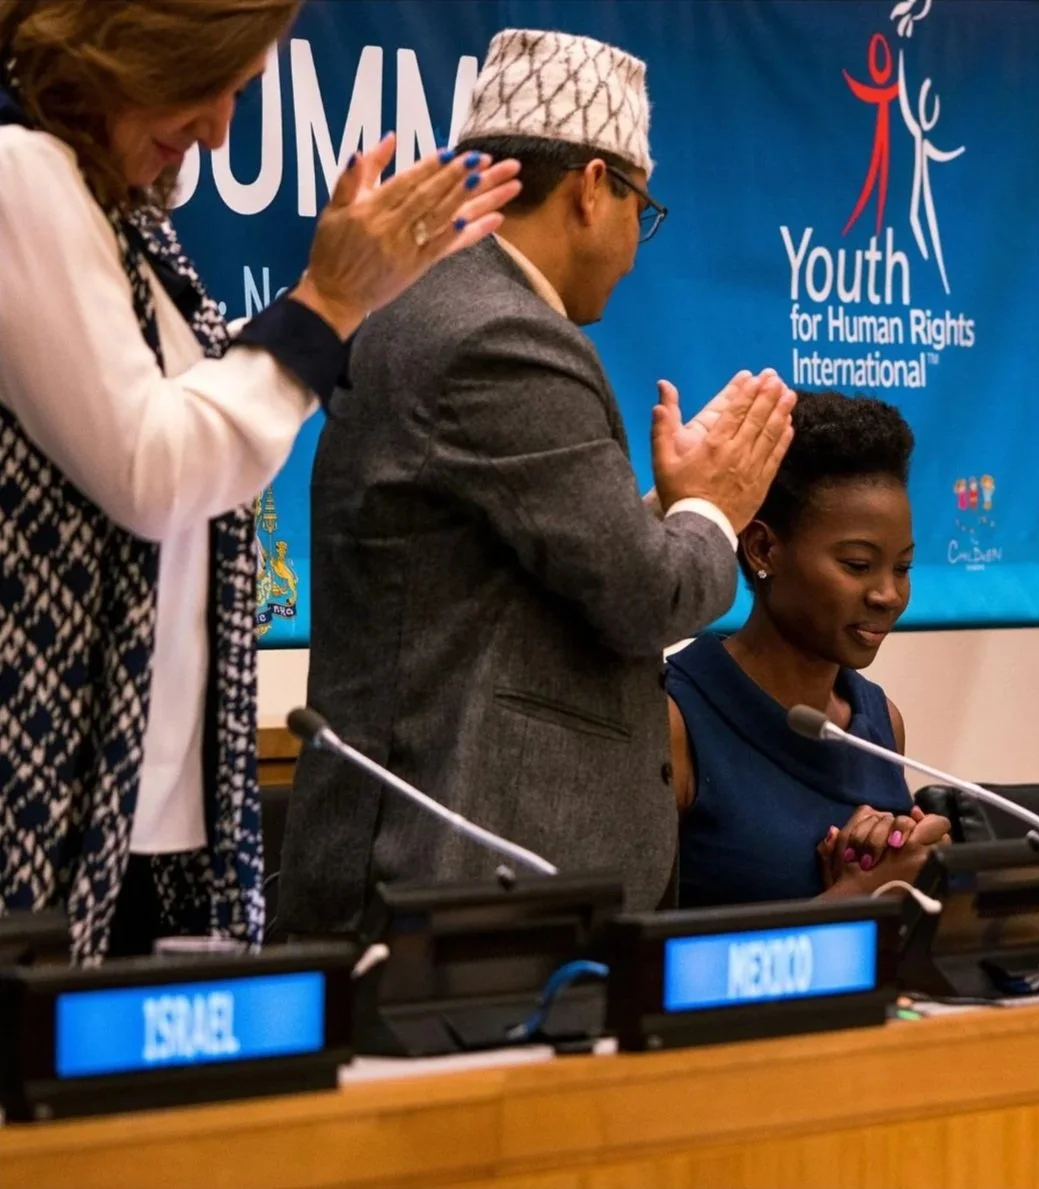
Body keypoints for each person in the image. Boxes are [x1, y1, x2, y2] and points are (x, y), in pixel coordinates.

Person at [0, 0, 520, 962]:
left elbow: (196, 452)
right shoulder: (19, 174)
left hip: (144, 812)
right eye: (213, 85)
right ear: (128, 45)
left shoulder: (120, 217)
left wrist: (339, 305)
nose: (216, 131)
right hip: (49, 812)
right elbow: (153, 471)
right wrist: (326, 303)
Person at [279, 29, 794, 932]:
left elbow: (537, 567)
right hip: (457, 876)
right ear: (595, 188)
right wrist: (714, 511)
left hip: (453, 869)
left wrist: (667, 510)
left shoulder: (436, 307)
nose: (639, 246)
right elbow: (645, 595)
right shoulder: (502, 335)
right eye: (645, 207)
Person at [666, 390, 948, 906]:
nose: (887, 595)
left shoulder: (880, 721)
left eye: (902, 568)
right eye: (858, 565)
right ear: (763, 549)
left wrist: (922, 873)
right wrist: (855, 899)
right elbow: (644, 963)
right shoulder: (677, 719)